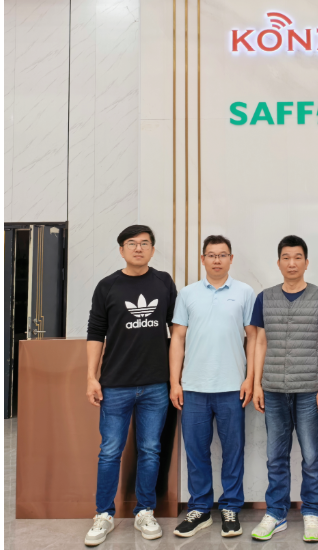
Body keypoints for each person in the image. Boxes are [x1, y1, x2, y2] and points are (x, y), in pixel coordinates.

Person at [84, 225, 177, 546]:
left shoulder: (163, 281)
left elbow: (177, 329)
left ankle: (145, 511)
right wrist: (91, 376)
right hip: (115, 384)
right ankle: (103, 514)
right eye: (132, 244)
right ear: (121, 250)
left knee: (150, 449)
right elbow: (95, 332)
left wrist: (176, 378)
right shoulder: (107, 285)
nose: (139, 248)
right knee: (110, 451)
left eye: (145, 243)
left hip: (156, 384)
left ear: (153, 249)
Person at [250, 235, 318, 543]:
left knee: (312, 456)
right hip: (273, 389)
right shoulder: (265, 298)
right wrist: (257, 384)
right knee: (276, 456)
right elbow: (260, 342)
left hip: (310, 390)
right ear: (278, 263)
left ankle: (312, 513)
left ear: (306, 262)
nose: (292, 263)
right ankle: (276, 513)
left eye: (297, 257)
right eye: (286, 258)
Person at [169, 235, 256, 538]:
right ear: (202, 259)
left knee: (233, 451)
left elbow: (254, 338)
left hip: (233, 386)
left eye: (222, 254)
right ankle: (200, 509)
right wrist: (175, 382)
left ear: (231, 259)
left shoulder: (245, 292)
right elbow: (177, 339)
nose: (217, 260)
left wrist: (251, 378)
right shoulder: (187, 293)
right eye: (211, 255)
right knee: (196, 451)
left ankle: (231, 507)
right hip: (193, 387)